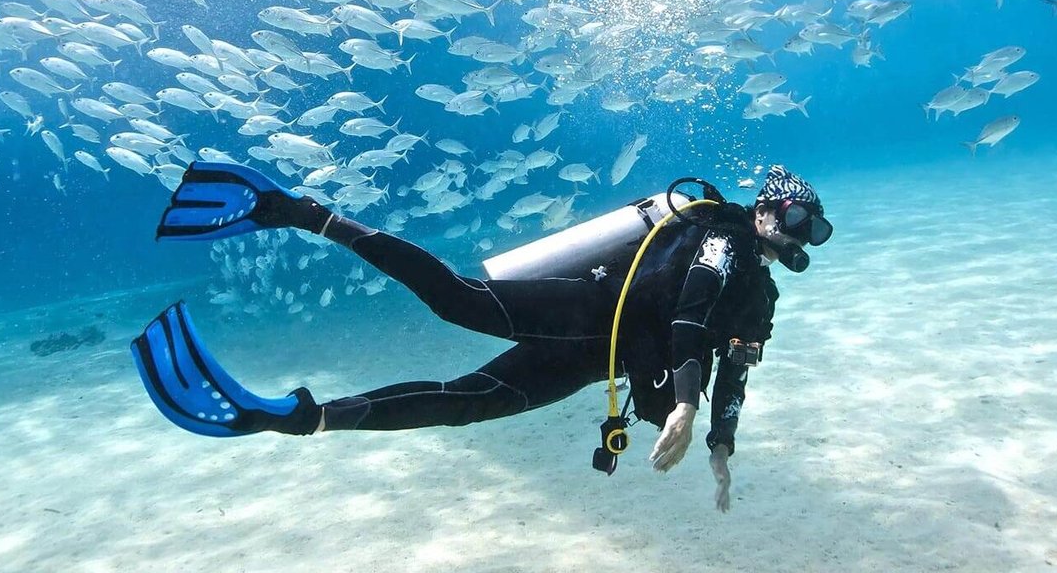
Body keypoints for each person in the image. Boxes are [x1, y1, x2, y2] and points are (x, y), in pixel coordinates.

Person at [132, 162, 831, 511]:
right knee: (454, 300)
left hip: (600, 357)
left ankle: (303, 418)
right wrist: (683, 402)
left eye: (815, 232)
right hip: (590, 309)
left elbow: (736, 369)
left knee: (470, 401)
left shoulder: (760, 298)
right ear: (767, 208)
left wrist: (719, 445)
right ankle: (298, 210)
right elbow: (688, 312)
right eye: (800, 221)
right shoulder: (725, 236)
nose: (804, 239)